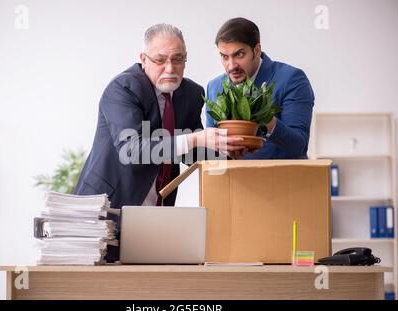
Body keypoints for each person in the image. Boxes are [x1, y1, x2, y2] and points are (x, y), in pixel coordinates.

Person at [75, 24, 243, 262]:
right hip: (106, 210)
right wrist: (196, 138)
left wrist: (226, 149)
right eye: (161, 59)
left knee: (152, 286)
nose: (169, 68)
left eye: (177, 59)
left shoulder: (192, 93)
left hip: (156, 217)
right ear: (143, 59)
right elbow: (132, 150)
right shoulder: (123, 88)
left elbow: (190, 153)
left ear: (186, 60)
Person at [206, 17, 315, 159]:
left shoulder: (292, 79)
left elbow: (298, 146)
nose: (231, 66)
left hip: (281, 179)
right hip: (232, 179)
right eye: (224, 56)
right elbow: (211, 151)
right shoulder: (214, 86)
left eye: (239, 54)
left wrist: (266, 119)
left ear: (257, 50)